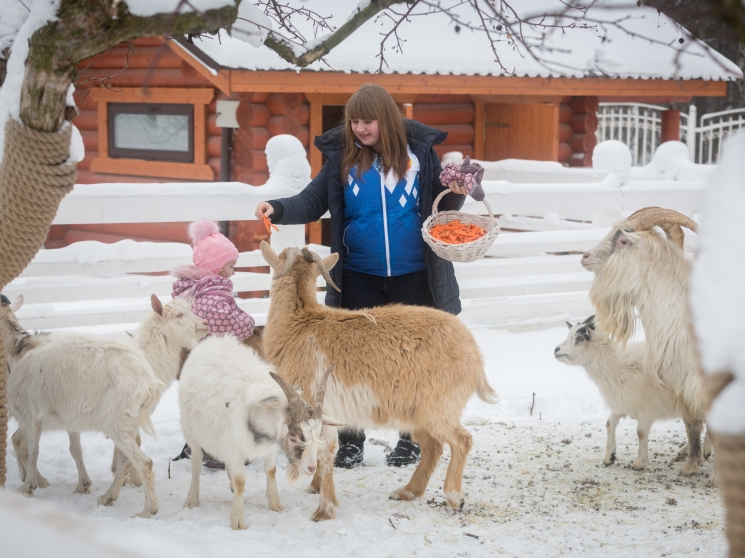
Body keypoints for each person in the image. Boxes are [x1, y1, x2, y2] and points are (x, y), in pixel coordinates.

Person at [255, 83, 467, 468]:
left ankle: (412, 437)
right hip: (359, 274)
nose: (360, 129)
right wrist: (280, 208)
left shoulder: (419, 156)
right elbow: (313, 199)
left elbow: (443, 204)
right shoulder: (343, 159)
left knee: (411, 360)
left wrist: (459, 189)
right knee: (348, 360)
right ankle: (351, 439)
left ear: (384, 118)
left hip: (415, 272)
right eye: (354, 121)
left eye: (367, 121)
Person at [171, 219, 256, 468]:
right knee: (221, 404)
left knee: (202, 404)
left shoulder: (195, 289)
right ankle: (215, 451)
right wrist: (248, 322)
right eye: (231, 266)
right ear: (218, 268)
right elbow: (228, 324)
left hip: (198, 362)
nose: (233, 272)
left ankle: (194, 444)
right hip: (216, 362)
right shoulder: (213, 295)